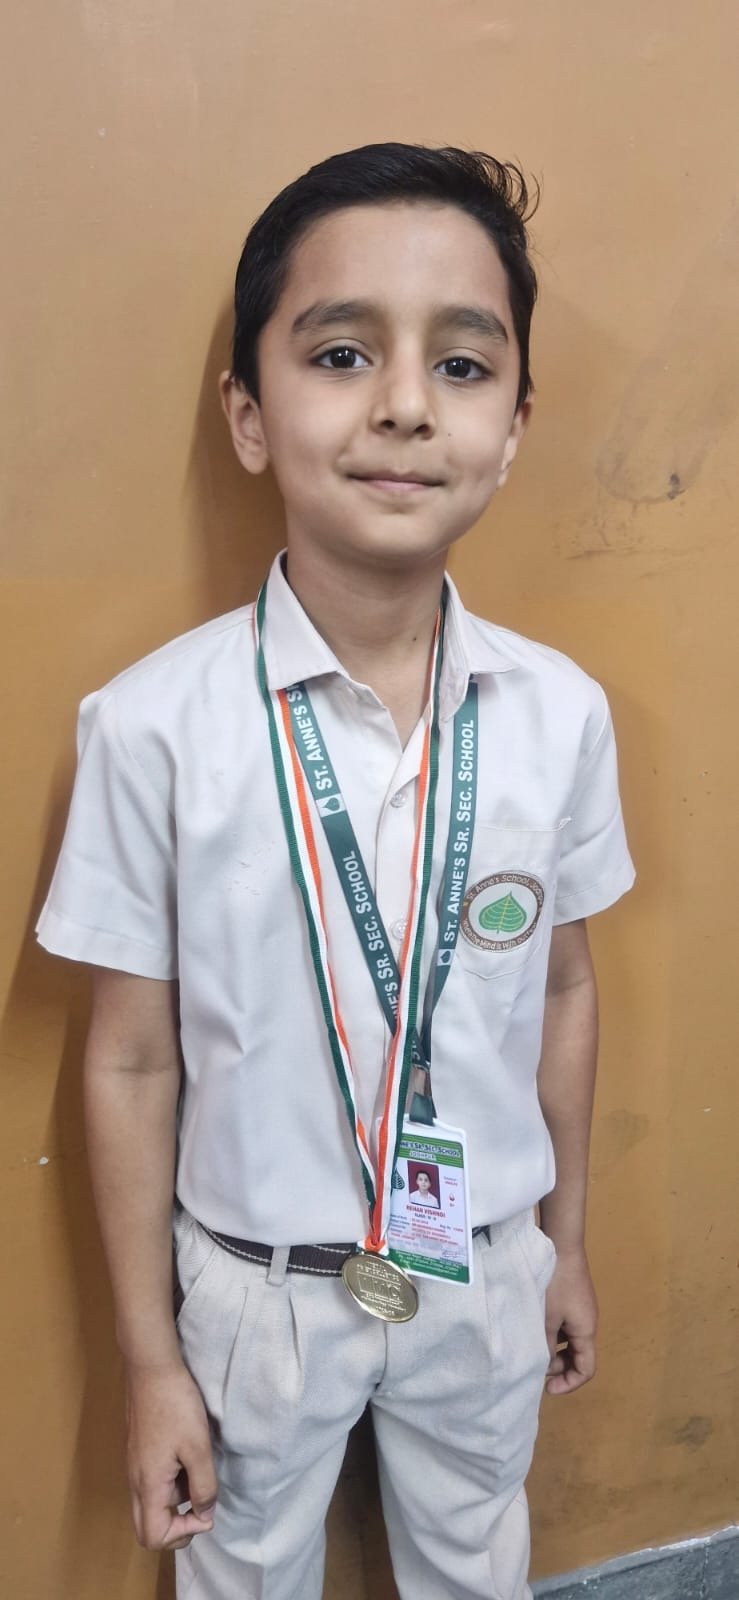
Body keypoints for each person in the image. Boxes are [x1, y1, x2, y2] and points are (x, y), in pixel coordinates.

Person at [36, 143, 635, 1600]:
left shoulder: (558, 715)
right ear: (248, 415)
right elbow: (128, 1062)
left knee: (477, 1562)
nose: (406, 406)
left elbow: (563, 989)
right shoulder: (152, 730)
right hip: (256, 1294)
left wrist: (561, 1246)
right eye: (342, 353)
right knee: (242, 1577)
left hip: (481, 1262)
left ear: (514, 426)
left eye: (464, 365)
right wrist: (152, 1364)